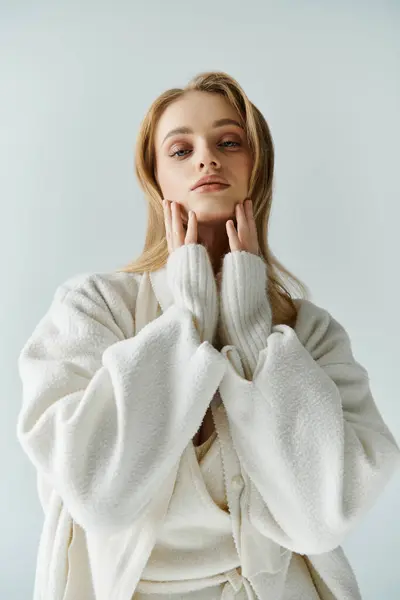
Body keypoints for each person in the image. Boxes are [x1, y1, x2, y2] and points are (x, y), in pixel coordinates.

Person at [16, 71, 400, 600]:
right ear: (154, 179)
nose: (207, 159)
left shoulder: (311, 333)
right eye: (180, 149)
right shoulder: (93, 308)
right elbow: (97, 494)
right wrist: (188, 317)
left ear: (256, 169)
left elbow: (321, 519)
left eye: (229, 142)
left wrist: (250, 330)